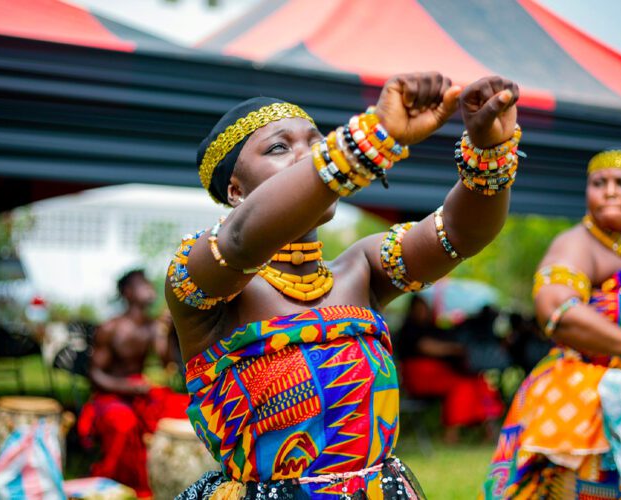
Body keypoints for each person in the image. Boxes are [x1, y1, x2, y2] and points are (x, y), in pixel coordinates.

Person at [167, 72, 523, 499]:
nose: (307, 155)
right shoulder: (201, 277)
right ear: (236, 190)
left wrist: (489, 150)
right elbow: (241, 241)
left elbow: (458, 236)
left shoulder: (363, 267)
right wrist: (371, 137)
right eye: (279, 148)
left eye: (316, 142)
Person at [482, 154, 621, 498]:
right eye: (599, 184)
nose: (610, 192)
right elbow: (558, 311)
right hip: (585, 398)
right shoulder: (577, 244)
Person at [77, 269, 189, 498]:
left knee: (184, 407)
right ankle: (113, 479)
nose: (149, 288)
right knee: (123, 421)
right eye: (143, 284)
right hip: (110, 396)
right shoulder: (111, 328)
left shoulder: (152, 326)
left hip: (139, 392)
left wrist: (166, 332)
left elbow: (167, 363)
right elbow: (95, 375)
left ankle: (176, 476)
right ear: (128, 292)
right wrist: (128, 387)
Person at [397, 295, 503, 445]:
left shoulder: (434, 327)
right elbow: (426, 346)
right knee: (461, 386)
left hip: (440, 373)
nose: (423, 311)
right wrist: (454, 349)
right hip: (421, 377)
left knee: (477, 382)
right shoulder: (410, 329)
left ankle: (489, 431)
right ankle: (451, 435)